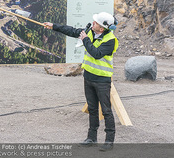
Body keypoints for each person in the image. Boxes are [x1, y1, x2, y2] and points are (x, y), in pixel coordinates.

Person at [44, 12, 118, 151]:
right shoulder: (90, 31)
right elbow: (72, 30)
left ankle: (109, 141)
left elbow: (96, 53)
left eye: (95, 22)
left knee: (106, 110)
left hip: (102, 80)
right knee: (92, 109)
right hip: (88, 77)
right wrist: (54, 26)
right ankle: (91, 138)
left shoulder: (110, 40)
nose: (92, 23)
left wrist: (85, 39)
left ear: (101, 28)